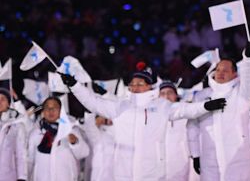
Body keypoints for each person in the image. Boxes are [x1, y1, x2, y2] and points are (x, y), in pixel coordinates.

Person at [61, 62, 225, 181]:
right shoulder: (120, 106)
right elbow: (93, 102)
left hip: (152, 172)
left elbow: (186, 110)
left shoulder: (161, 106)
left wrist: (206, 106)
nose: (135, 87)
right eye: (132, 84)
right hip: (123, 172)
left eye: (140, 83)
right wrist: (75, 86)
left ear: (149, 87)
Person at [188, 45, 250, 181]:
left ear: (235, 74)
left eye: (226, 70)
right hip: (210, 161)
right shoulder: (201, 96)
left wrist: (249, 60)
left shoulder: (241, 94)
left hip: (238, 161)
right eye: (218, 69)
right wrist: (195, 154)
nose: (220, 73)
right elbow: (193, 126)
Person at [27, 96, 89, 181]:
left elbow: (84, 153)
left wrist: (75, 142)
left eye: (54, 108)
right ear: (43, 112)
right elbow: (30, 160)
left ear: (61, 111)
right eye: (47, 108)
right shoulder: (36, 133)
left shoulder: (71, 129)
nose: (50, 111)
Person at [159, 81, 193, 181]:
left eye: (170, 92)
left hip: (181, 161)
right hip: (159, 163)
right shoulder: (153, 115)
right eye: (163, 93)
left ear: (176, 95)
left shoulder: (185, 111)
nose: (166, 96)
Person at [0, 87, 27, 181]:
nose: (0, 102)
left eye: (3, 99)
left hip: (7, 176)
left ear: (8, 103)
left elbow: (21, 154)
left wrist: (22, 177)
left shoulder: (16, 125)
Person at [81, 112, 115, 181]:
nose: (108, 121)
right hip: (99, 175)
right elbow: (89, 125)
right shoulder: (98, 135)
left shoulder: (118, 133)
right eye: (105, 120)